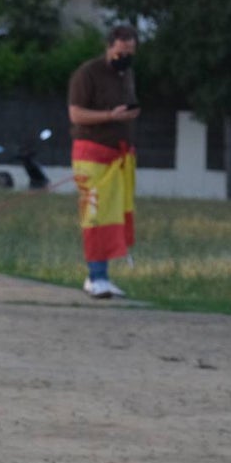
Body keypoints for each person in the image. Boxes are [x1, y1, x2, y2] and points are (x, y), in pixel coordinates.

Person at [68, 24, 141, 299]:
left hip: (118, 155)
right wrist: (111, 116)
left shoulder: (127, 74)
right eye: (121, 52)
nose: (125, 57)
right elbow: (75, 114)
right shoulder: (87, 73)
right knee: (96, 215)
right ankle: (95, 275)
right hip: (92, 156)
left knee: (113, 215)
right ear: (110, 47)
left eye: (130, 52)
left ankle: (103, 275)